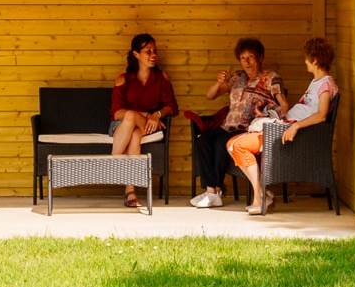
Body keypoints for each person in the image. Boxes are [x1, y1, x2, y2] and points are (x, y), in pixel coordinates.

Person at [227, 37, 337, 215]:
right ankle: (263, 194)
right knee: (231, 143)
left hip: (289, 134)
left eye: (307, 58)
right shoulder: (317, 82)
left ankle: (259, 197)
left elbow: (322, 115)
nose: (305, 61)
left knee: (237, 145)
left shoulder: (326, 84)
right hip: (283, 127)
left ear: (315, 60)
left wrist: (296, 126)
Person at [189, 37, 285, 208]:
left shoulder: (270, 78)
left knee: (220, 143)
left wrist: (267, 114)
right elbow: (210, 95)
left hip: (248, 129)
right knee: (203, 139)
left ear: (260, 57)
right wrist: (219, 83)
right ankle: (212, 191)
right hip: (227, 126)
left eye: (251, 57)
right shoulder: (237, 78)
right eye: (242, 58)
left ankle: (215, 191)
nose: (246, 62)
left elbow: (284, 106)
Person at [110, 32, 177, 210]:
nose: (153, 55)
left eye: (155, 51)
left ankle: (112, 164)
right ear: (136, 54)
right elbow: (116, 114)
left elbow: (172, 107)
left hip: (150, 125)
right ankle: (130, 192)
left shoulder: (161, 78)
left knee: (132, 117)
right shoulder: (123, 80)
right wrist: (146, 114)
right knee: (133, 130)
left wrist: (157, 115)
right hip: (123, 127)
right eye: (148, 51)